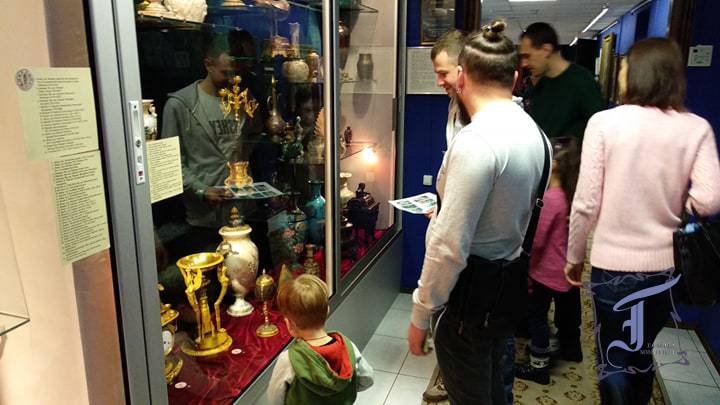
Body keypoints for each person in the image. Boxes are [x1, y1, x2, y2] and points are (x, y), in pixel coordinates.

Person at [564, 38, 720, 405]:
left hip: (611, 266)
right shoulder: (695, 128)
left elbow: (586, 203)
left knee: (613, 354)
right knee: (642, 348)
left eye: (622, 67)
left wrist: (574, 257)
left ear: (635, 73)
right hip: (664, 266)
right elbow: (710, 198)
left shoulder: (604, 123)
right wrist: (678, 207)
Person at [407, 20, 548, 405]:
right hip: (507, 284)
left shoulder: (476, 142)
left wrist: (421, 313)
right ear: (514, 77)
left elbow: (449, 247)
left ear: (463, 75)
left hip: (468, 298)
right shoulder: (535, 133)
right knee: (494, 389)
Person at [161, 30, 260, 249]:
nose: (232, 80)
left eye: (235, 73)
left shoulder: (243, 98)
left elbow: (254, 135)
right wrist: (200, 189)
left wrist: (241, 160)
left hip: (242, 209)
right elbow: (170, 163)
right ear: (208, 64)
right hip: (203, 217)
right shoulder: (180, 105)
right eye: (225, 73)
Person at [422, 28, 468, 404]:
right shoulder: (456, 104)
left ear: (464, 69)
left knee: (461, 330)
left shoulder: (480, 121)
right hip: (451, 222)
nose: (438, 81)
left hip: (467, 248)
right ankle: (452, 379)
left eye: (443, 73)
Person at [514, 143, 582, 385]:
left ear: (555, 166)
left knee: (537, 318)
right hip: (563, 269)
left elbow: (538, 241)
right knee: (556, 315)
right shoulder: (568, 195)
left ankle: (539, 366)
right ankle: (562, 348)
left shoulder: (551, 199)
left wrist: (524, 264)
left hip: (545, 272)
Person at [267, 274, 374, 404]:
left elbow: (275, 399)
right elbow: (367, 378)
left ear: (289, 324)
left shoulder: (288, 360)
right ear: (327, 310)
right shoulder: (347, 347)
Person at [519, 22, 604, 143]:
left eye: (527, 56)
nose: (524, 64)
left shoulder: (583, 82)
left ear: (546, 50)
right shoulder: (539, 85)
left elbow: (601, 132)